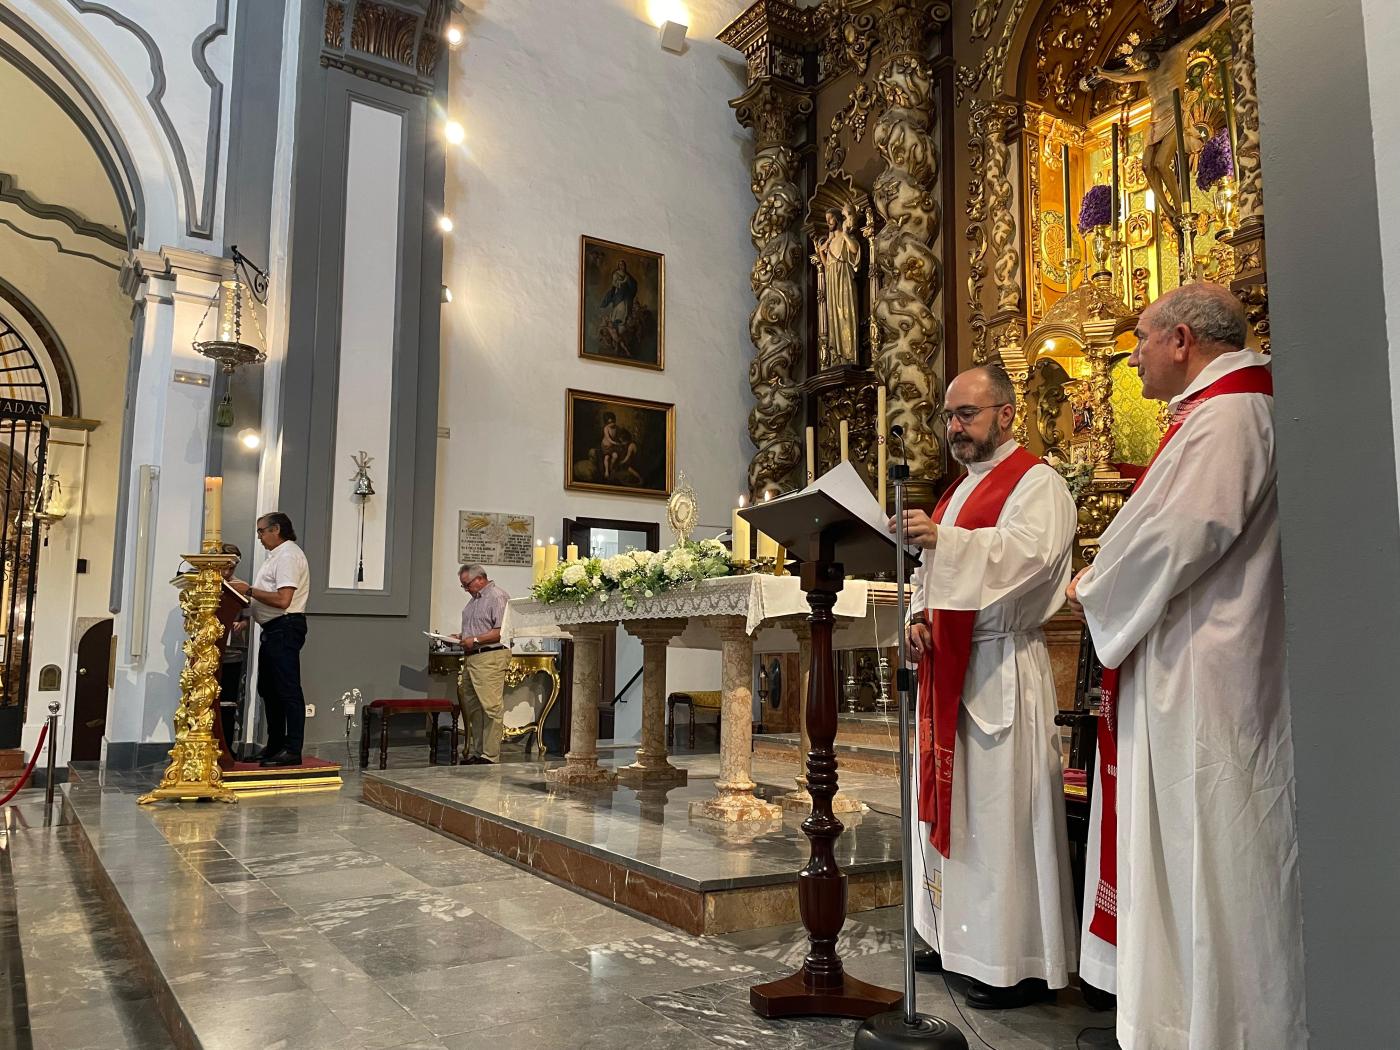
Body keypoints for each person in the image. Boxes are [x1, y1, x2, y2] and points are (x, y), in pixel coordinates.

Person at [1067, 283, 1306, 1049]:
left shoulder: (1232, 414)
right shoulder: (1224, 411)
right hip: (1191, 657)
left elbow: (1184, 532)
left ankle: (1227, 1026)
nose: (1131, 354)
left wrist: (1095, 587)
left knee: (1216, 850)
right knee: (1191, 847)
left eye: (1141, 338)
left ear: (1182, 341)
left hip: (1210, 669)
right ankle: (1182, 1018)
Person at [889, 364, 1079, 1010]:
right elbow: (932, 574)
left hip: (1001, 667)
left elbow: (1028, 557)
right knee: (961, 815)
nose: (953, 429)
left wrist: (945, 540)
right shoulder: (956, 493)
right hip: (950, 666)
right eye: (948, 417)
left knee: (999, 822)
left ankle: (1011, 961)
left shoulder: (1038, 484)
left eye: (966, 414)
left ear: (1005, 412)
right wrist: (918, 617)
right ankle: (952, 939)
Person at [229, 512, 310, 768]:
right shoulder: (277, 556)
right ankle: (274, 746)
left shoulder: (287, 555)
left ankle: (292, 749)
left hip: (285, 627)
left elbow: (283, 600)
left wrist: (250, 590)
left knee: (287, 690)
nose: (259, 536)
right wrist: (248, 616)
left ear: (276, 529)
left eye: (262, 531)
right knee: (270, 689)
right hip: (274, 628)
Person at [451, 564, 511, 764]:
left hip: (490, 656)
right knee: (474, 707)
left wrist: (474, 640)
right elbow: (479, 628)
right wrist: (460, 637)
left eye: (466, 584)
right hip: (472, 657)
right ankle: (478, 752)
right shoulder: (474, 601)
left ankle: (490, 755)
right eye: (463, 586)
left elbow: (501, 631)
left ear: (480, 579)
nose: (466, 589)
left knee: (491, 706)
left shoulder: (497, 596)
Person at [217, 543, 249, 757]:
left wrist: (242, 624)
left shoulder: (240, 586)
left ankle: (227, 747)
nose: (228, 572)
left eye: (233, 567)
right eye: (225, 566)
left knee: (228, 702)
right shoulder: (205, 584)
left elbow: (247, 615)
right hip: (207, 651)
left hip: (232, 653)